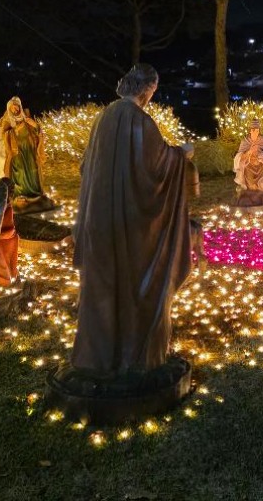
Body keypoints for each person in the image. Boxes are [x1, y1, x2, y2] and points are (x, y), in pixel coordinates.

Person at [71, 64, 196, 375]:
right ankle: (135, 358)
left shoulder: (103, 117)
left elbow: (86, 166)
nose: (151, 97)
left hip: (99, 220)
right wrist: (182, 154)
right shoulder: (138, 120)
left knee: (104, 288)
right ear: (145, 89)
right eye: (152, 92)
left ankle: (99, 357)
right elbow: (155, 167)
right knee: (134, 283)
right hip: (129, 223)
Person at [0, 97, 47, 208]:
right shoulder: (7, 120)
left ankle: (34, 193)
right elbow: (4, 135)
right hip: (17, 151)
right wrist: (16, 130)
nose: (15, 110)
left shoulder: (26, 118)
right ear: (9, 109)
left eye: (17, 107)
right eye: (13, 108)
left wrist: (35, 125)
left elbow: (38, 133)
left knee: (33, 170)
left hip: (30, 149)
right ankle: (19, 194)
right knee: (20, 173)